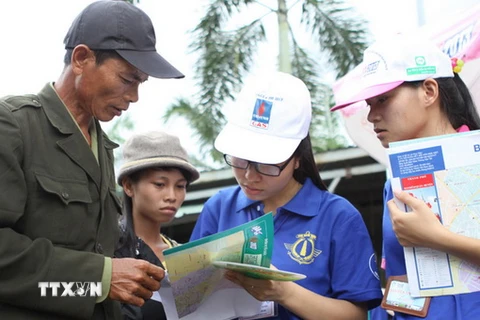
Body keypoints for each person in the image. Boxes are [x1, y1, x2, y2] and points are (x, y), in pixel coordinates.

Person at [0, 1, 185, 319]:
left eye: (141, 83)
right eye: (128, 79)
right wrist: (99, 278)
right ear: (82, 58)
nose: (134, 96)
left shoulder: (103, 148)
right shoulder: (14, 127)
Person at [190, 71, 383, 320]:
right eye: (239, 160)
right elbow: (192, 296)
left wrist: (284, 292)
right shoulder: (219, 209)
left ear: (297, 159)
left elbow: (355, 315)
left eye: (266, 164)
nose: (249, 176)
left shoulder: (337, 217)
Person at [331, 33, 480, 319]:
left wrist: (438, 238)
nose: (372, 115)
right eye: (369, 104)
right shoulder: (395, 184)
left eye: (383, 99)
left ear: (428, 91)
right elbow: (398, 279)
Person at [114, 130, 200, 320]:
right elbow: (58, 291)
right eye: (160, 184)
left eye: (180, 186)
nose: (172, 196)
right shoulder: (106, 250)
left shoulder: (184, 255)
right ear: (128, 186)